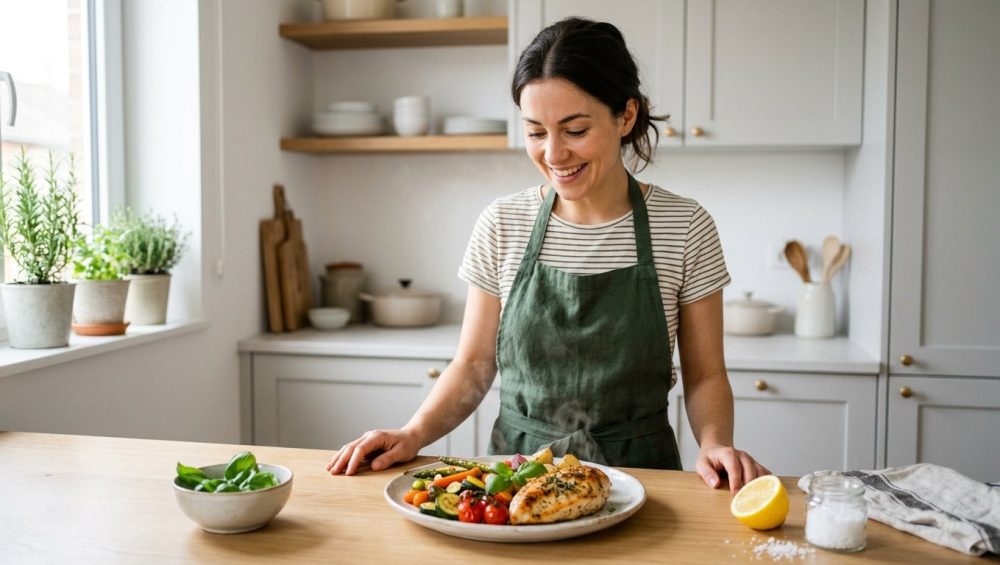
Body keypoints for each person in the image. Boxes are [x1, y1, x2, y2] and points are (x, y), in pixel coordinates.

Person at [326, 17, 769, 493]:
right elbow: (474, 365)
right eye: (536, 132)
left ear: (626, 116)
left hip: (644, 479)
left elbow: (705, 376)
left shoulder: (685, 226)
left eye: (575, 130)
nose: (554, 153)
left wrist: (715, 443)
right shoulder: (502, 223)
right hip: (517, 476)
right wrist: (412, 433)